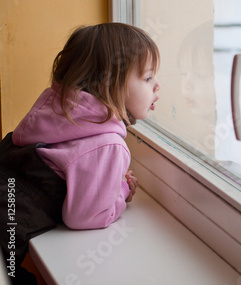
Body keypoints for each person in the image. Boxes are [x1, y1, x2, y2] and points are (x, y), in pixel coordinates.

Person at [0, 23, 161, 284]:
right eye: (147, 78)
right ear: (111, 84)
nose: (158, 86)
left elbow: (70, 161)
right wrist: (120, 193)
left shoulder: (54, 107)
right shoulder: (109, 144)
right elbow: (85, 217)